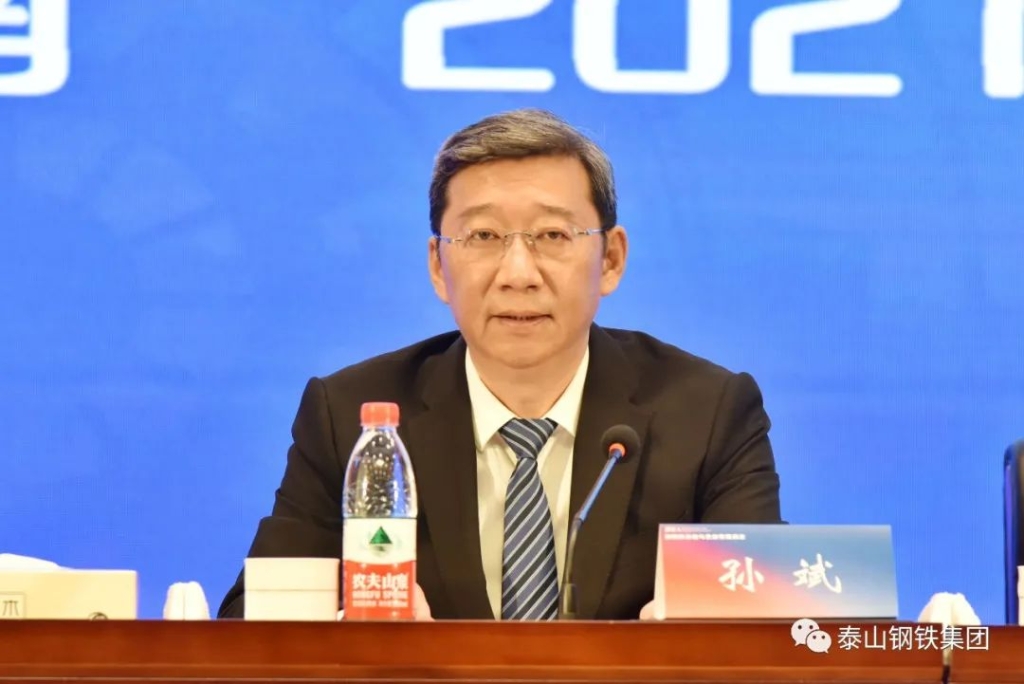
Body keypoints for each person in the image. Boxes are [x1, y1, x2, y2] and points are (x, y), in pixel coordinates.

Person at [218, 108, 782, 621]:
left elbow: (778, 620)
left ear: (610, 259)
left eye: (553, 235)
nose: (518, 274)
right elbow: (252, 620)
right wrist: (360, 640)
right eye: (483, 235)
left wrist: (687, 645)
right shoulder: (352, 418)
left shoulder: (707, 413)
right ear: (438, 266)